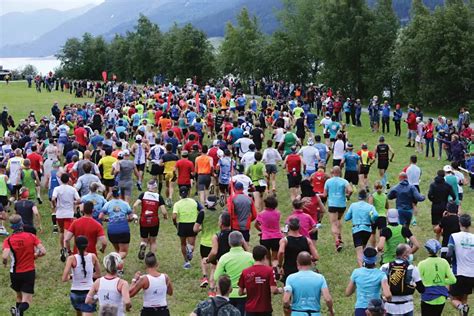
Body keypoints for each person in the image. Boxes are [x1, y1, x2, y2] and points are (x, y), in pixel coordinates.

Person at [2, 214, 46, 316]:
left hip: (15, 273)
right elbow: (43, 251)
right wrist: (35, 255)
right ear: (22, 224)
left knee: (19, 297)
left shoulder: (8, 240)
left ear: (11, 226)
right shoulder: (31, 236)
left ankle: (18, 313)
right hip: (28, 272)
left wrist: (4, 263)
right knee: (27, 300)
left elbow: (5, 256)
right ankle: (18, 311)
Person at [214, 231, 254, 315]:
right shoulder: (250, 257)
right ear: (242, 241)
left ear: (229, 243)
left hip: (229, 294)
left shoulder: (224, 258)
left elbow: (216, 277)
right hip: (246, 293)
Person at [283, 252, 335, 316]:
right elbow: (328, 299)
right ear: (311, 263)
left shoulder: (291, 278)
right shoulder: (320, 278)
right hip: (315, 313)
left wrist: (287, 308)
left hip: (297, 313)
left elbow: (286, 300)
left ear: (297, 263)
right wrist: (331, 310)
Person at [381, 244, 425, 316]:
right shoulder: (412, 268)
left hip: (389, 307)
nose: (411, 255)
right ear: (404, 256)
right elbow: (421, 289)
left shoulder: (385, 267)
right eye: (410, 253)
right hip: (407, 307)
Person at [345, 247, 391, 316]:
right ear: (375, 260)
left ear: (364, 259)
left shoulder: (356, 272)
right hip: (376, 310)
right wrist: (386, 300)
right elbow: (387, 295)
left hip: (360, 308)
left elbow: (348, 293)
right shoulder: (381, 274)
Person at [61, 236, 101, 316]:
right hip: (90, 292)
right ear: (87, 245)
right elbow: (98, 274)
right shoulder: (93, 256)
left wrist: (72, 276)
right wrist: (88, 276)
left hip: (75, 293)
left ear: (76, 246)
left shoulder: (71, 258)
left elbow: (64, 278)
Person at [238, 245, 282, 316]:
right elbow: (273, 290)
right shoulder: (269, 271)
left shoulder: (245, 272)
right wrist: (279, 290)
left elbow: (240, 293)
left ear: (253, 257)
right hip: (265, 309)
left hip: (250, 309)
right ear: (265, 257)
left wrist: (248, 290)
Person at [418, 239, 456, 316]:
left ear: (427, 249)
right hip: (441, 297)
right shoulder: (444, 262)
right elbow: (453, 280)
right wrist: (441, 281)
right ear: (439, 250)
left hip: (427, 297)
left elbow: (418, 281)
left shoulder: (422, 264)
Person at [133, 180, 168, 260]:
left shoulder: (143, 195)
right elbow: (164, 211)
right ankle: (151, 258)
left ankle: (143, 245)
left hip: (143, 220)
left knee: (144, 239)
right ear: (155, 187)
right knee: (153, 241)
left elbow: (135, 205)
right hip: (154, 222)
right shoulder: (158, 197)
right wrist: (165, 216)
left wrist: (134, 215)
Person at [447, 214, 474, 316]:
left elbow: (449, 253)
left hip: (458, 272)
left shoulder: (454, 236)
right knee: (464, 299)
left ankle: (461, 307)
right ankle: (463, 310)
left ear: (460, 223)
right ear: (470, 224)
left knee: (453, 298)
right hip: (471, 274)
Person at [321, 166, 353, 252]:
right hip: (342, 204)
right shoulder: (344, 181)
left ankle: (337, 241)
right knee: (339, 219)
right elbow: (350, 190)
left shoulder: (328, 181)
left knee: (333, 223)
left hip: (332, 204)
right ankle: (340, 235)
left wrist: (318, 195)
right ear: (340, 172)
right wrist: (348, 196)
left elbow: (324, 195)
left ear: (332, 172)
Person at [278, 218, 319, 283]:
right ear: (299, 227)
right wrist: (309, 258)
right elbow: (316, 256)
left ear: (288, 227)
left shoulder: (284, 240)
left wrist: (280, 265)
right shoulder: (307, 240)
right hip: (304, 269)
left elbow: (281, 252)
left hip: (289, 269)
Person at [344, 190, 378, 266]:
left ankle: (362, 269)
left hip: (357, 229)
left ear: (358, 197)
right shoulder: (370, 206)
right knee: (363, 248)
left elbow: (346, 218)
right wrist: (372, 220)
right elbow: (376, 215)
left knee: (359, 251)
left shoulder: (353, 205)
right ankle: (366, 264)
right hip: (367, 229)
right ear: (366, 197)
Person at [193, 196, 220, 291]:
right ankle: (212, 286)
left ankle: (204, 277)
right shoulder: (219, 214)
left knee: (204, 260)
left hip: (204, 243)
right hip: (216, 243)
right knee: (214, 265)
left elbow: (195, 229)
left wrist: (202, 228)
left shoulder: (202, 213)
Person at [52, 173, 80, 262]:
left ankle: (63, 249)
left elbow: (53, 198)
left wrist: (55, 205)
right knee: (67, 234)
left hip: (59, 213)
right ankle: (65, 249)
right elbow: (79, 200)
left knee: (62, 232)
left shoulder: (57, 188)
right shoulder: (72, 189)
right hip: (68, 214)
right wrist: (74, 203)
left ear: (61, 180)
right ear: (68, 180)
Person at [173, 186, 202, 269]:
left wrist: (175, 224)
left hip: (182, 225)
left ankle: (186, 261)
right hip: (192, 224)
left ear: (179, 194)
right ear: (188, 193)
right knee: (191, 244)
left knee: (183, 243)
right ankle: (189, 249)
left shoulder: (177, 204)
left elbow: (174, 216)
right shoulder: (194, 202)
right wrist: (199, 221)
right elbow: (202, 210)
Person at [99, 187, 133, 259]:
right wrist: (127, 220)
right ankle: (112, 260)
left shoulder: (107, 204)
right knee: (123, 252)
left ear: (112, 194)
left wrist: (106, 220)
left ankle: (119, 269)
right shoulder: (125, 204)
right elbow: (131, 217)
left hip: (112, 231)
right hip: (123, 230)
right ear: (119, 193)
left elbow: (100, 216)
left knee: (118, 251)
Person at [255, 195, 283, 267]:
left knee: (267, 258)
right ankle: (275, 271)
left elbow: (256, 224)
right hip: (277, 237)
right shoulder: (278, 213)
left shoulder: (261, 214)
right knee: (275, 257)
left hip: (265, 238)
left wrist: (262, 230)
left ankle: (269, 271)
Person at [428, 170, 456, 239]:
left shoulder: (433, 185)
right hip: (444, 206)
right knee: (444, 222)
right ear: (444, 175)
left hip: (435, 206)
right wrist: (450, 202)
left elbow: (429, 195)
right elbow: (454, 196)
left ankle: (437, 238)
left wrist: (433, 200)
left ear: (437, 174)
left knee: (435, 224)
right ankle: (442, 235)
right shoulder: (448, 185)